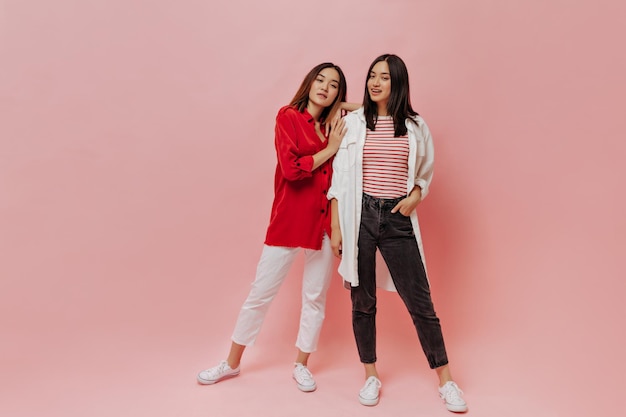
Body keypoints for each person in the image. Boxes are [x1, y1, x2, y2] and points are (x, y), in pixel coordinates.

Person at [328, 54, 468, 412]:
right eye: (372, 76)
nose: (376, 82)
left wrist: (416, 196)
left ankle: (446, 380)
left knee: (421, 302)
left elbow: (425, 171)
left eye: (385, 78)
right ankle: (370, 374)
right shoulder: (355, 123)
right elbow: (339, 177)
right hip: (359, 214)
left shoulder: (416, 126)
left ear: (398, 82)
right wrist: (336, 225)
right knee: (363, 300)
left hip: (396, 217)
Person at [196, 62, 347, 392]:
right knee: (260, 294)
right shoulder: (288, 117)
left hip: (322, 224)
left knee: (315, 298)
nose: (325, 87)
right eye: (320, 79)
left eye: (334, 84)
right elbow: (292, 171)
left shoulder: (335, 125)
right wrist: (330, 150)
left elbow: (371, 110)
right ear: (308, 82)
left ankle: (301, 364)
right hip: (289, 222)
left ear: (339, 93)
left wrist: (342, 109)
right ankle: (232, 363)